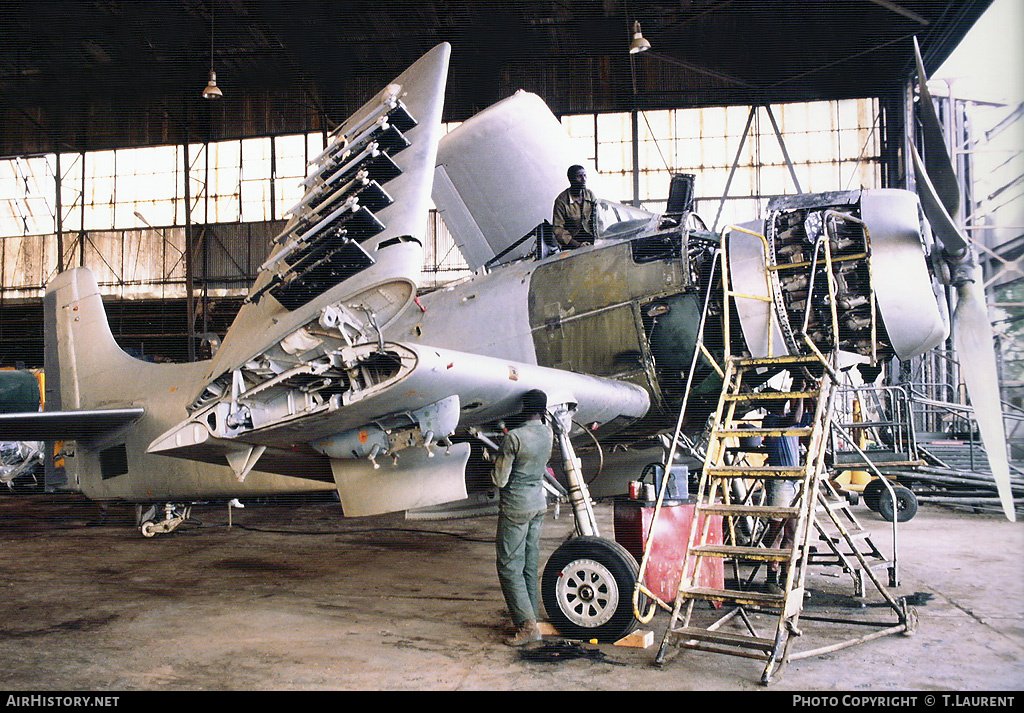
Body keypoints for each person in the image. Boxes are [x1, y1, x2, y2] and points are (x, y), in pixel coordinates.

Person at [492, 389, 553, 646]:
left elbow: (500, 479)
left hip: (517, 507)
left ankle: (527, 626)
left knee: (508, 566)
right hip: (538, 504)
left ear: (524, 409)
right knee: (529, 563)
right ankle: (532, 618)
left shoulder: (514, 438)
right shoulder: (548, 433)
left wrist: (492, 460)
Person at [760, 376, 809, 595]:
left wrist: (808, 392)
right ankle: (771, 580)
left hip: (793, 479)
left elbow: (815, 416)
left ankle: (785, 579)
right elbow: (796, 415)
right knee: (777, 531)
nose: (783, 400)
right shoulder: (770, 420)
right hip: (780, 479)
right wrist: (800, 391)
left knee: (791, 532)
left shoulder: (790, 420)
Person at [552, 165, 599, 249]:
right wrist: (578, 245)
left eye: (584, 175)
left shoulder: (590, 194)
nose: (583, 179)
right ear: (571, 179)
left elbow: (599, 217)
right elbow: (558, 230)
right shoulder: (561, 201)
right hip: (571, 243)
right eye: (579, 176)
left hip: (592, 239)